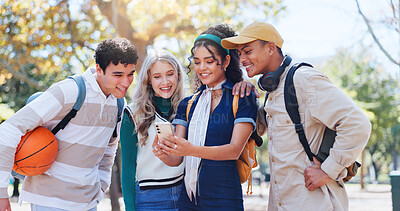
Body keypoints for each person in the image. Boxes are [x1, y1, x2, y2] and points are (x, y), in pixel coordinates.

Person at [221, 22, 371, 210]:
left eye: (248, 51)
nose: (242, 59)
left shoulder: (303, 79)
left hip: (314, 203)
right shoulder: (273, 89)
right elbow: (256, 127)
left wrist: (328, 170)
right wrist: (247, 97)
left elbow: (357, 123)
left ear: (270, 48)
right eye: (239, 54)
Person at [0, 37, 138, 211]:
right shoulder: (70, 91)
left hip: (88, 204)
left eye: (130, 74)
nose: (126, 82)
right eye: (118, 75)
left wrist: (101, 187)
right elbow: (8, 130)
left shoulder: (119, 104)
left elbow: (108, 152)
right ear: (99, 69)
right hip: (49, 201)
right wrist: (1, 192)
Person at [155, 24, 258, 210]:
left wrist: (191, 149)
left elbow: (234, 150)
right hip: (188, 201)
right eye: (197, 62)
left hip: (225, 200)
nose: (202, 68)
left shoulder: (242, 97)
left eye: (209, 61)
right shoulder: (187, 104)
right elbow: (178, 158)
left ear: (225, 61)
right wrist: (163, 153)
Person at [120, 49, 185, 211]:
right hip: (150, 199)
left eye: (170, 74)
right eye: (157, 77)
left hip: (187, 195)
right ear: (149, 80)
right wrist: (130, 208)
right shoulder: (132, 113)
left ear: (178, 75)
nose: (165, 82)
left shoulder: (189, 107)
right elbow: (128, 166)